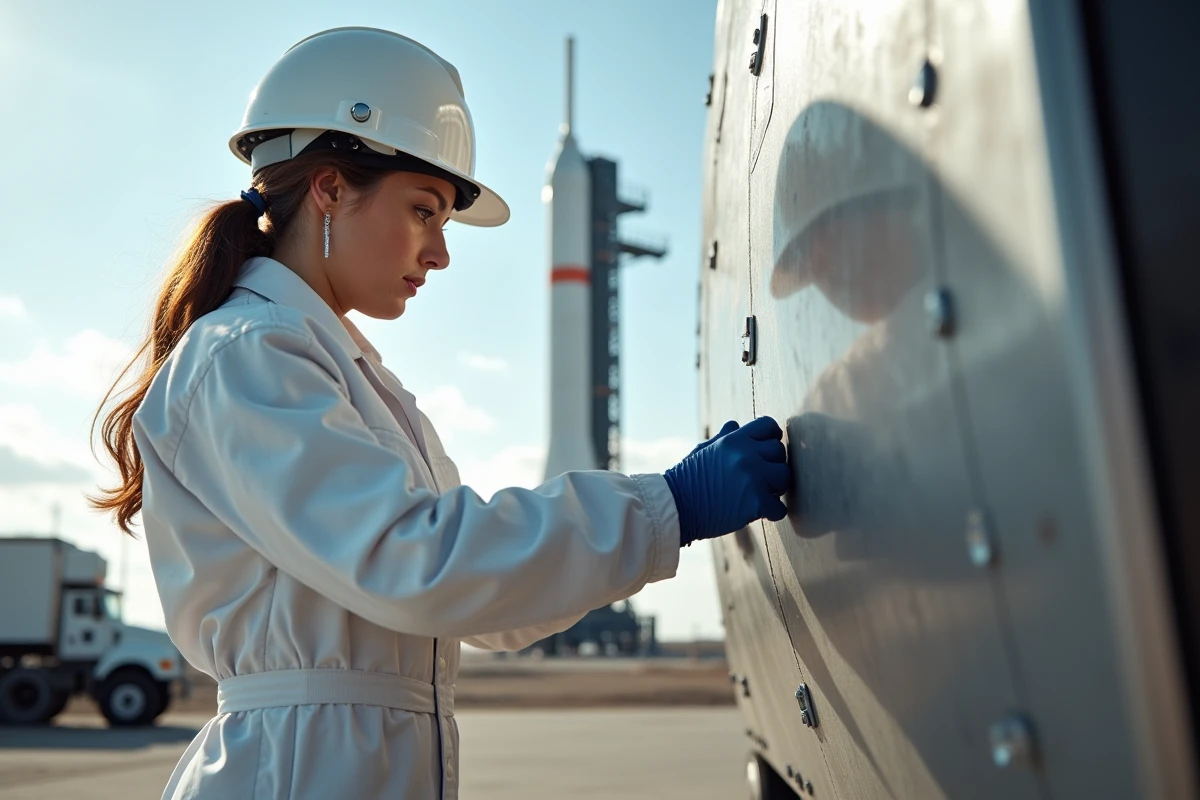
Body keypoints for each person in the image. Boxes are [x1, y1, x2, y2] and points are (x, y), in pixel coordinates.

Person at [91, 27, 791, 800]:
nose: (440, 253)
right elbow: (420, 564)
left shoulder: (350, 376)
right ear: (329, 188)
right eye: (424, 211)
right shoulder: (247, 355)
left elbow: (479, 606)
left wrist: (651, 524)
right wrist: (667, 506)